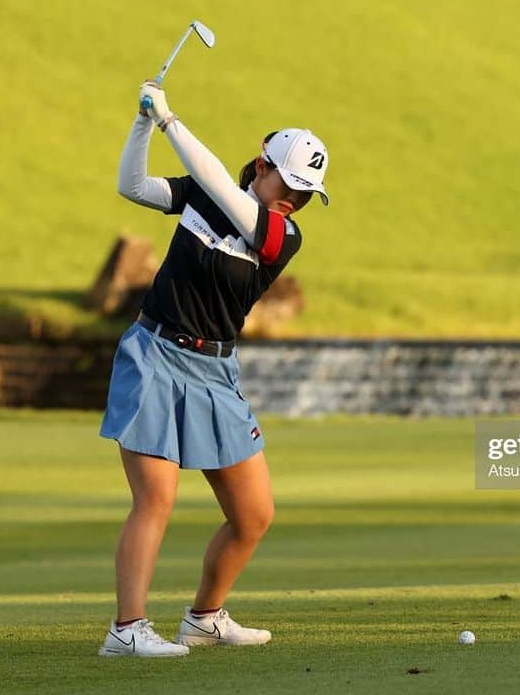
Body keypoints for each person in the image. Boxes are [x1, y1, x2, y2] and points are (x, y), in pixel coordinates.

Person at [96, 81, 330, 657]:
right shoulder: (207, 195)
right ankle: (127, 631)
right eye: (289, 185)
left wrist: (172, 120)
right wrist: (144, 123)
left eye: (305, 194)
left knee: (253, 515)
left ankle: (204, 617)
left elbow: (224, 189)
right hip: (154, 355)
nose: (294, 201)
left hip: (216, 371)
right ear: (263, 164)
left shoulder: (282, 234)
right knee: (155, 498)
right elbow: (132, 185)